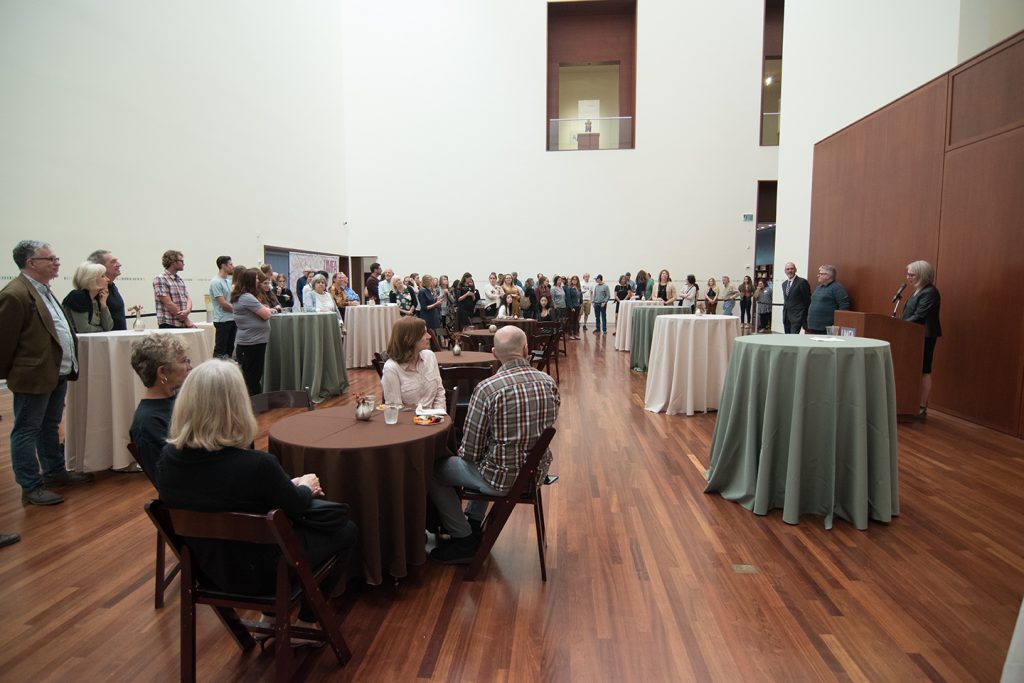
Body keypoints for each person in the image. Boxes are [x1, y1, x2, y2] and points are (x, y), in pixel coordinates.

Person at [157, 359, 357, 627]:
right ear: (237, 406)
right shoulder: (255, 465)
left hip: (211, 571)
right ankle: (308, 621)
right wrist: (305, 486)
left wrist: (288, 486)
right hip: (266, 574)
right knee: (346, 529)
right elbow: (296, 507)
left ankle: (271, 618)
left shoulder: (168, 461)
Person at [428, 326, 559, 563]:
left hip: (501, 479)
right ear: (526, 349)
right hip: (534, 474)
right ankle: (474, 522)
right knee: (491, 458)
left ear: (494, 353)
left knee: (434, 472)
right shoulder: (548, 383)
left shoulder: (489, 389)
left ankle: (463, 538)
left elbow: (469, 451)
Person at [0, 240, 93, 506]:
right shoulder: (15, 294)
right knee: (27, 429)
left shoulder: (44, 290)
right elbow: (5, 341)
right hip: (33, 375)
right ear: (31, 263)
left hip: (56, 372)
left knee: (49, 426)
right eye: (50, 259)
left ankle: (54, 471)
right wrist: (17, 373)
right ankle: (31, 485)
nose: (57, 262)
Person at [129, 334, 191, 474]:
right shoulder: (147, 423)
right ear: (162, 372)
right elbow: (168, 477)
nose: (189, 367)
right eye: (184, 361)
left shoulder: (181, 396)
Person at [901, 260, 942, 419]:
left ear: (922, 275)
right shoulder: (917, 290)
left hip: (925, 336)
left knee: (924, 370)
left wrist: (900, 324)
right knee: (912, 369)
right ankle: (909, 402)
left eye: (912, 275)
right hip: (912, 335)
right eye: (908, 274)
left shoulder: (930, 292)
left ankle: (922, 406)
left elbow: (919, 316)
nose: (908, 277)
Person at [381, 316, 445, 410]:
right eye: (424, 333)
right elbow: (395, 408)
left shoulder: (430, 356)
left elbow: (439, 392)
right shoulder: (391, 368)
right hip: (409, 422)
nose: (429, 336)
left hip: (435, 420)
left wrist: (439, 415)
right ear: (410, 338)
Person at [232, 268, 274, 396]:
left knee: (250, 374)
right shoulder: (247, 297)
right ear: (249, 281)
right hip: (253, 342)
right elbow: (266, 314)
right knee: (253, 376)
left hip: (251, 340)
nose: (258, 281)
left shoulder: (243, 296)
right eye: (256, 279)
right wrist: (265, 309)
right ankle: (256, 403)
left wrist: (263, 308)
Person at [87, 250, 138, 329]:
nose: (119, 265)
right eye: (113, 262)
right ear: (100, 266)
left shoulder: (112, 287)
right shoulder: (93, 291)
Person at [61, 261, 113, 333]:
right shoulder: (78, 296)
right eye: (103, 276)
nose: (108, 279)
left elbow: (108, 327)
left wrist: (103, 304)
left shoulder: (98, 298)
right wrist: (101, 330)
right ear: (92, 279)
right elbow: (84, 329)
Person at [153, 250, 194, 328]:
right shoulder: (160, 279)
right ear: (173, 262)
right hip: (169, 324)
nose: (183, 263)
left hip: (182, 323)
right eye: (181, 261)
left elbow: (188, 298)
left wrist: (187, 310)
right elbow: (168, 303)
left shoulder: (179, 279)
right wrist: (186, 320)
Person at [806, 265, 851, 334]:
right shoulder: (819, 287)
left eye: (821, 274)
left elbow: (844, 306)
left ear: (828, 276)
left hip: (826, 328)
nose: (818, 275)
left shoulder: (837, 288)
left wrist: (837, 323)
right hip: (813, 326)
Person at [209, 256, 235, 358]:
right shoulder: (216, 282)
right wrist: (239, 309)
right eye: (230, 264)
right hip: (222, 320)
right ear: (223, 266)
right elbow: (223, 304)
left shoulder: (228, 281)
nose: (233, 266)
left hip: (232, 318)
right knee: (220, 350)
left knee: (229, 349)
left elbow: (231, 300)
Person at [781, 262, 811, 333]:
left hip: (797, 316)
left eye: (792, 269)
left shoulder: (802, 282)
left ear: (795, 270)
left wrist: (805, 317)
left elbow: (807, 300)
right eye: (787, 269)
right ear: (785, 271)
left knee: (793, 338)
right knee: (787, 337)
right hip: (786, 316)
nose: (790, 271)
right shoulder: (784, 284)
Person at [417, 274, 444, 348]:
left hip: (433, 314)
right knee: (430, 334)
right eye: (432, 280)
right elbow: (424, 307)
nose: (433, 282)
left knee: (435, 334)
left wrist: (437, 301)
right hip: (427, 316)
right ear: (428, 282)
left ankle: (436, 349)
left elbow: (432, 302)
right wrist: (436, 303)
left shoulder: (429, 290)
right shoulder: (422, 291)